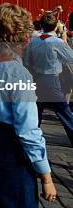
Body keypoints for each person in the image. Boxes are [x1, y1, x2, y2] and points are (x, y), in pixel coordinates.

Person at [0, 4, 57, 206]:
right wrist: (46, 176)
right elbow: (28, 130)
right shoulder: (17, 74)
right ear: (22, 38)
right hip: (11, 147)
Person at [24, 11, 73, 146]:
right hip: (52, 80)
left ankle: (31, 143)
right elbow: (71, 58)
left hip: (37, 80)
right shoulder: (57, 42)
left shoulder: (34, 42)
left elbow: (27, 62)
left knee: (36, 117)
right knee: (66, 115)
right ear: (56, 26)